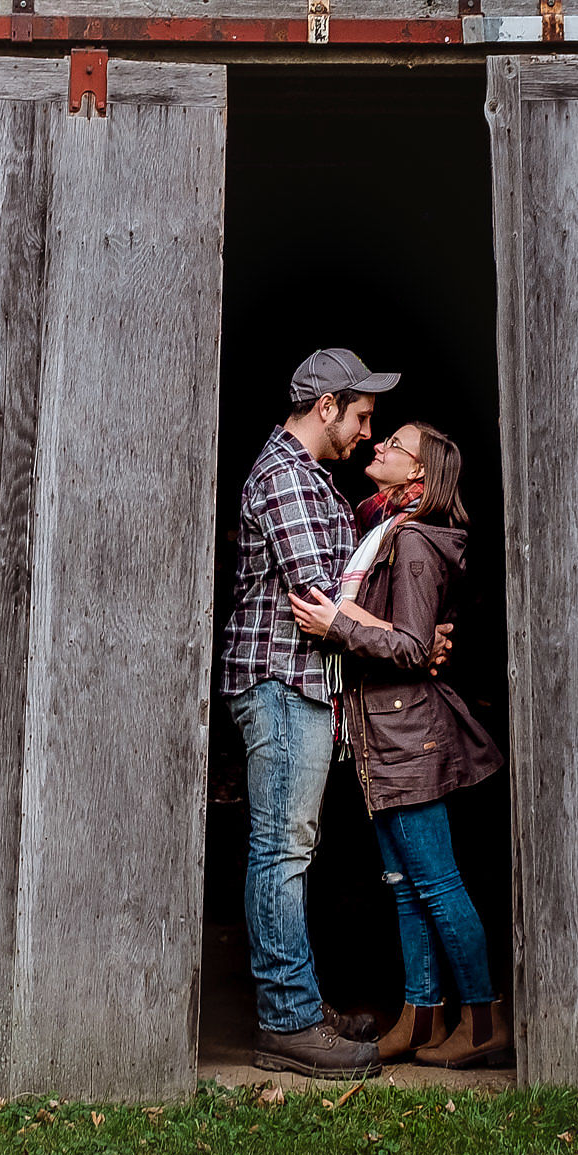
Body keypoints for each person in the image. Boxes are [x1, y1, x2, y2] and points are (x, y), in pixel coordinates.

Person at [291, 421, 510, 1070]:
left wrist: (338, 622)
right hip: (383, 733)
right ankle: (419, 1018)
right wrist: (349, 617)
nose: (378, 445)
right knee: (407, 888)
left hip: (407, 732)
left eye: (394, 445)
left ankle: (482, 1021)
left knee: (438, 886)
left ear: (420, 476)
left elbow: (413, 648)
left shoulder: (411, 542)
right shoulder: (385, 529)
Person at [219, 348, 397, 1079]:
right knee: (280, 849)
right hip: (280, 679)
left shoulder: (309, 477)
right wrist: (406, 640)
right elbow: (319, 595)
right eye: (359, 416)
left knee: (292, 847)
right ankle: (287, 1020)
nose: (364, 433)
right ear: (326, 407)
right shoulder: (287, 477)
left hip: (300, 685)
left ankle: (296, 999)